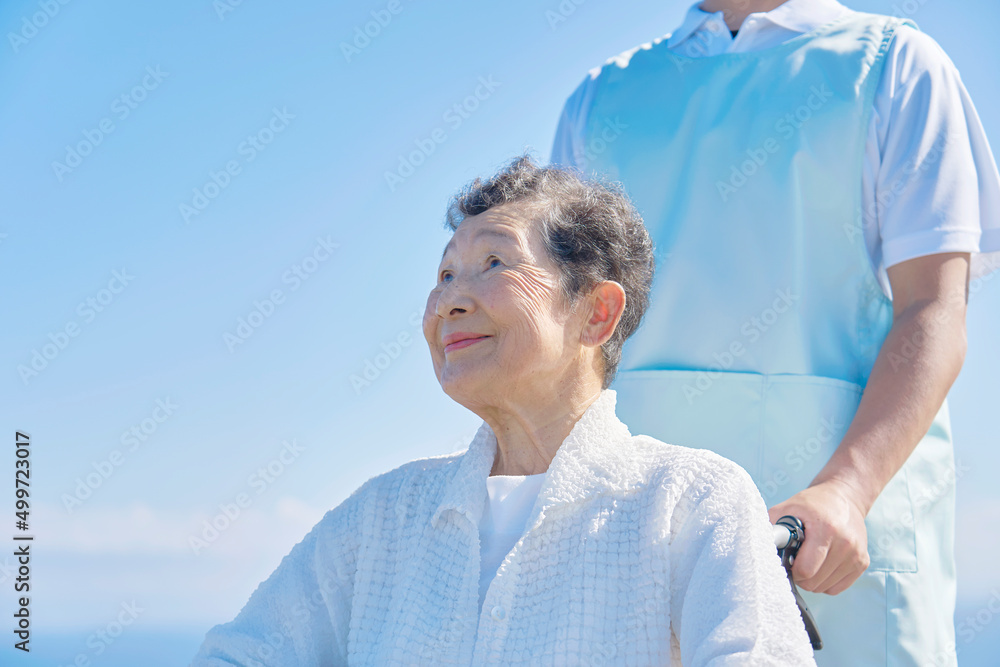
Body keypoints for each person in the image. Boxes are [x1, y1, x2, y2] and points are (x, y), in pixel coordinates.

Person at [188, 156, 817, 666]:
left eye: (493, 263)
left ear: (596, 312)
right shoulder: (381, 517)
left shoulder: (690, 500)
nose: (450, 300)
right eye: (443, 274)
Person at [549, 1, 1000, 665]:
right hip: (642, 554)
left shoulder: (896, 67)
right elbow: (565, 344)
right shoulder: (598, 101)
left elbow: (933, 310)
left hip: (835, 558)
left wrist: (847, 489)